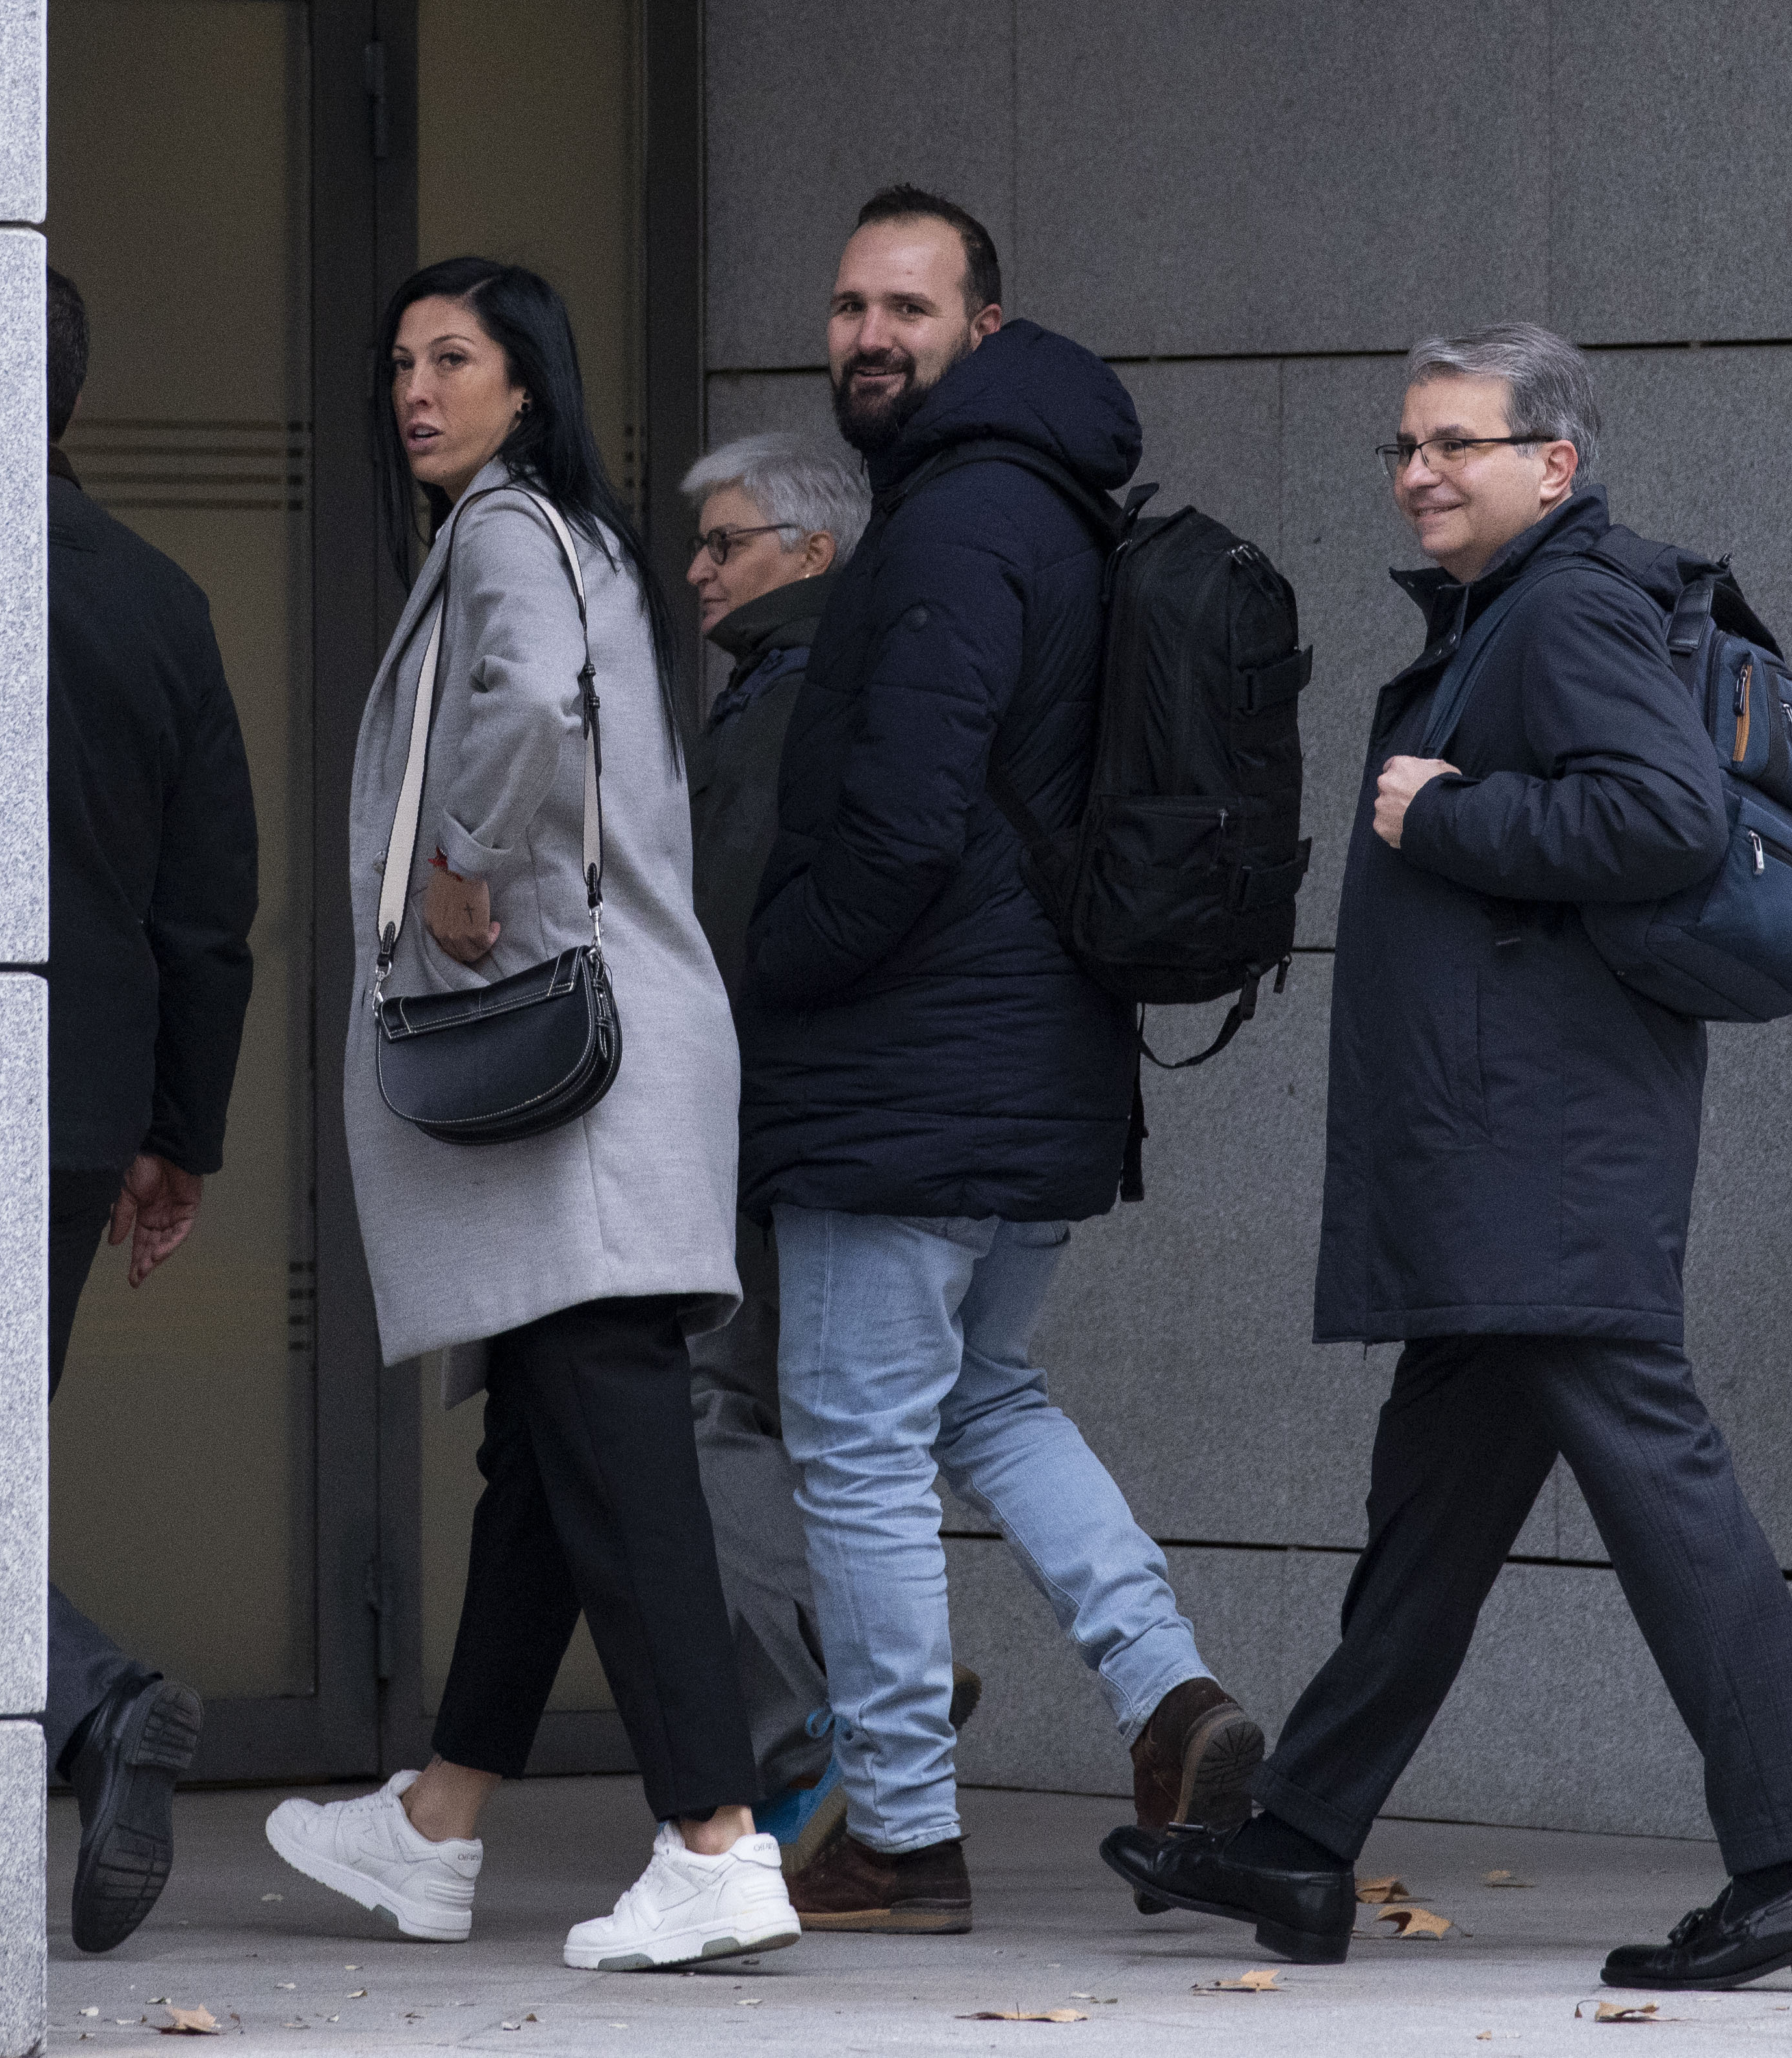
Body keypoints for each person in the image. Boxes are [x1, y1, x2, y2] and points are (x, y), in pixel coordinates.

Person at [1099, 324, 1792, 1988]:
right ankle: (1301, 1850)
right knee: (1433, 1518)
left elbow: (1661, 817)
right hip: (1507, 1157)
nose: (1421, 472)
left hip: (1544, 1157)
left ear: (1554, 465)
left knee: (1669, 1502)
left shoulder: (1569, 605)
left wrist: (1442, 814)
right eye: (1404, 447)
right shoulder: (1517, 612)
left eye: (1457, 443)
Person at [737, 186, 1263, 1935]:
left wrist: (770, 971)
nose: (869, 336)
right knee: (988, 1397)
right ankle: (1174, 1700)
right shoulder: (1038, 499)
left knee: (860, 1442)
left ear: (986, 327)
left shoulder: (962, 524)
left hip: (913, 1070)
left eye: (908, 307)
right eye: (848, 307)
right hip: (1027, 1058)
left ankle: (896, 1827)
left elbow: (896, 825)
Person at [263, 257, 795, 1974]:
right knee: (544, 1465)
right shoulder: (559, 533)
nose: (417, 388)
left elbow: (529, 703)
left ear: (526, 382)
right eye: (400, 358)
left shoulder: (510, 535)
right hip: (625, 1060)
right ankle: (439, 1825)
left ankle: (715, 1838)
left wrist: (469, 863)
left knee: (610, 1441)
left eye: (456, 358)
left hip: (585, 1066)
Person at [675, 429, 943, 1867]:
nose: (699, 569)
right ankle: (871, 1690)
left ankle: (841, 1697)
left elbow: (724, 939)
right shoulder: (821, 684)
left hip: (761, 1123)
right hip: (822, 1122)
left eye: (726, 544)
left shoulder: (790, 702)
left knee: (707, 1409)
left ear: (814, 554)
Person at [39, 264, 261, 1957]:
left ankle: (98, 1698)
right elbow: (206, 908)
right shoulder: (158, 602)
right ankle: (87, 1707)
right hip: (74, 1103)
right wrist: (178, 1129)